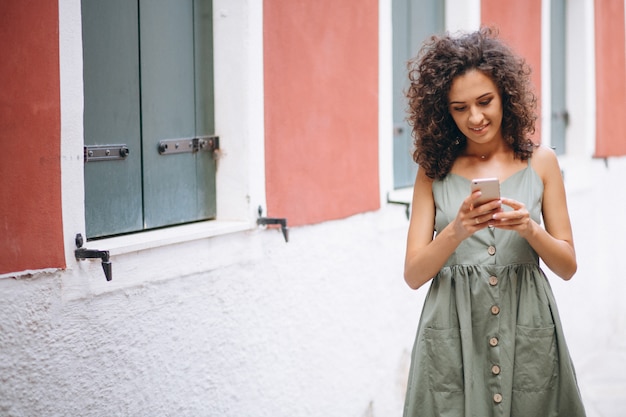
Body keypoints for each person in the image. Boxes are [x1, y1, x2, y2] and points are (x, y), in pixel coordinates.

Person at [402, 27, 586, 417]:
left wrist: (528, 229)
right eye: (459, 107)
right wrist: (457, 230)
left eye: (485, 101)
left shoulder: (542, 163)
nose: (475, 117)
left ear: (505, 95)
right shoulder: (432, 171)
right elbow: (414, 275)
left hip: (528, 327)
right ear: (443, 110)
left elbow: (567, 266)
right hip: (454, 334)